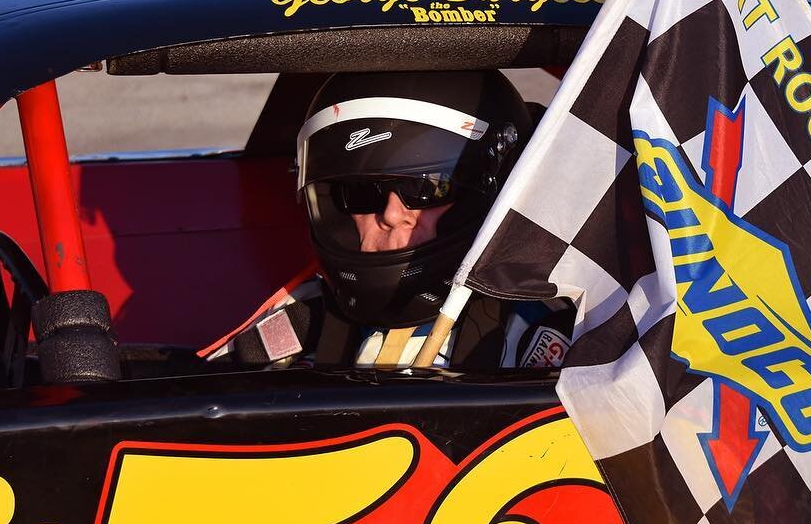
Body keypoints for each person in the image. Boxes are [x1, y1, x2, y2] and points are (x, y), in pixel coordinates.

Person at [203, 70, 572, 370]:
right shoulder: (306, 316)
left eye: (426, 189)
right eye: (363, 193)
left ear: (490, 194)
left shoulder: (539, 332)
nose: (393, 215)